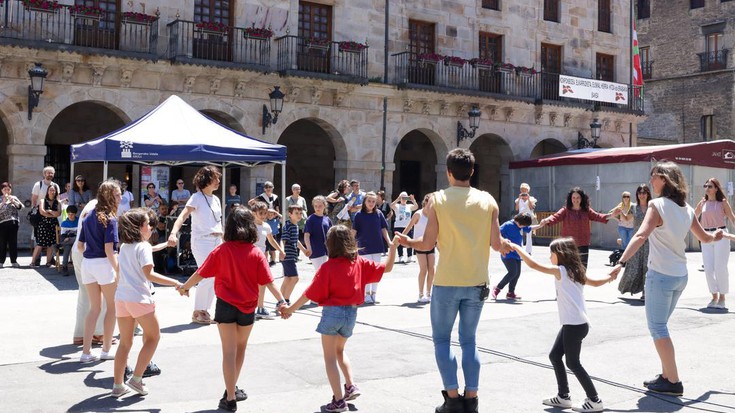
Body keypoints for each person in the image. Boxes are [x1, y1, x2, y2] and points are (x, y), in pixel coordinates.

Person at [394, 148, 511, 413]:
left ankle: (452, 399)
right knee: (469, 340)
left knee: (442, 340)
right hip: (478, 281)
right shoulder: (488, 201)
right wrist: (506, 246)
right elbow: (496, 244)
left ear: (448, 172)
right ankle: (472, 399)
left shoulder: (437, 200)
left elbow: (427, 242)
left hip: (447, 281)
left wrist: (405, 240)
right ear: (472, 171)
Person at [609, 162, 723, 396]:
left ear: (666, 180)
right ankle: (665, 376)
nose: (651, 182)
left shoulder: (656, 205)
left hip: (660, 277)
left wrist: (621, 263)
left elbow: (641, 234)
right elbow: (704, 237)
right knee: (661, 326)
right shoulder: (687, 209)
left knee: (658, 327)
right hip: (680, 276)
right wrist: (716, 236)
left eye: (655, 177)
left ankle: (673, 381)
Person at [178, 206, 288, 412]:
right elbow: (270, 282)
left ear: (228, 227)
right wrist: (282, 302)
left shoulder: (221, 250)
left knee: (228, 352)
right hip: (247, 306)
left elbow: (201, 273)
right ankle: (232, 387)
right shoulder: (256, 253)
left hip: (225, 305)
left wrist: (184, 287)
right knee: (241, 348)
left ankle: (230, 397)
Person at [280, 225, 399, 412]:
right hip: (351, 314)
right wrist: (393, 247)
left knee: (329, 358)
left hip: (332, 313)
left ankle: (338, 401)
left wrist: (289, 309)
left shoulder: (327, 267)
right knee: (340, 351)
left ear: (330, 245)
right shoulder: (359, 263)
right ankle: (350, 385)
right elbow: (388, 268)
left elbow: (308, 294)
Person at [511, 238, 615, 413]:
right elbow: (596, 283)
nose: (549, 257)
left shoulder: (561, 271)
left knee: (573, 363)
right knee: (555, 356)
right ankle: (563, 396)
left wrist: (516, 247)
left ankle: (594, 400)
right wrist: (610, 276)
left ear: (560, 255)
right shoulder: (576, 271)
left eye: (551, 253)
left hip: (574, 325)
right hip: (575, 324)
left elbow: (533, 265)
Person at [112, 208, 183, 397]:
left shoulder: (125, 247)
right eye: (147, 223)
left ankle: (118, 385)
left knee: (125, 343)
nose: (150, 226)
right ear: (139, 228)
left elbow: (146, 251)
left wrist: (164, 245)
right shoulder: (142, 246)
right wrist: (176, 282)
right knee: (153, 337)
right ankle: (136, 379)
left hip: (122, 298)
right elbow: (149, 274)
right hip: (139, 299)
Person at [168, 166, 223, 325]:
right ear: (206, 180)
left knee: (216, 277)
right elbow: (183, 216)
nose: (218, 181)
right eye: (215, 178)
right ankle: (198, 311)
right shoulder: (196, 198)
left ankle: (204, 310)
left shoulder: (217, 199)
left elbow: (218, 223)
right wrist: (173, 233)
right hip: (202, 241)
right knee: (206, 274)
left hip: (217, 240)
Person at [78, 180, 122, 363]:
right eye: (118, 194)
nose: (120, 198)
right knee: (112, 308)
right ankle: (105, 350)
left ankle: (86, 352)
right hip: (104, 264)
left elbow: (80, 246)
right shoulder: (110, 219)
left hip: (88, 264)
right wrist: (119, 271)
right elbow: (109, 250)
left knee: (94, 308)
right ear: (110, 196)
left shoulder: (88, 216)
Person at [536, 187, 616, 268]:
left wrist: (611, 216)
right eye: (573, 197)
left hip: (583, 244)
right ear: (570, 199)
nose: (575, 200)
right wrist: (546, 220)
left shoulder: (586, 210)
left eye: (578, 197)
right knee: (567, 269)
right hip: (568, 244)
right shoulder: (565, 210)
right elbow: (556, 216)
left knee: (582, 269)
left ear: (582, 199)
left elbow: (598, 216)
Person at [694, 178, 734, 309]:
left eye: (710, 186)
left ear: (716, 188)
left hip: (721, 235)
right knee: (709, 269)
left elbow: (732, 218)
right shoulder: (703, 203)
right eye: (705, 185)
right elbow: (692, 216)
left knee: (720, 267)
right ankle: (714, 296)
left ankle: (722, 298)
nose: (707, 188)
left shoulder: (723, 202)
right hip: (706, 236)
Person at [352, 192, 392, 304]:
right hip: (364, 247)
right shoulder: (359, 215)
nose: (371, 203)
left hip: (377, 245)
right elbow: (354, 231)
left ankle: (374, 293)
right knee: (366, 272)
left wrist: (389, 241)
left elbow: (384, 229)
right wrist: (349, 244)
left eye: (373, 201)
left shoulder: (379, 214)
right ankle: (366, 294)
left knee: (376, 271)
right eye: (369, 201)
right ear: (364, 201)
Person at [250, 201, 285, 320]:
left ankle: (260, 308)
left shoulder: (266, 226)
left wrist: (280, 250)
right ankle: (280, 302)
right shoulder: (249, 225)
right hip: (250, 258)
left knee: (263, 283)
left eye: (265, 213)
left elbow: (271, 241)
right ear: (254, 213)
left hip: (262, 258)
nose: (264, 215)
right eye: (261, 213)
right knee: (258, 283)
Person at [617, 184, 652, 300]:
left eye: (644, 192)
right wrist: (620, 212)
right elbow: (627, 219)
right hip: (637, 240)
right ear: (637, 195)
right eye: (640, 193)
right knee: (634, 266)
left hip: (649, 241)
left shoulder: (652, 207)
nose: (642, 195)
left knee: (647, 266)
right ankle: (628, 287)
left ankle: (646, 293)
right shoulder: (634, 207)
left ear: (648, 194)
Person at [492, 213, 534, 301]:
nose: (523, 227)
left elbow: (530, 228)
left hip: (517, 254)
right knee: (512, 272)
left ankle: (511, 293)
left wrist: (541, 225)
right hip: (508, 253)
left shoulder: (520, 225)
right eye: (522, 225)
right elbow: (497, 233)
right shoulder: (507, 225)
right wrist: (502, 243)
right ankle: (498, 288)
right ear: (518, 221)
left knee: (517, 274)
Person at [402, 194, 435, 303]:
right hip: (419, 244)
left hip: (430, 244)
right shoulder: (418, 214)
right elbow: (409, 227)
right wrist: (402, 238)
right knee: (423, 269)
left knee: (432, 269)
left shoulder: (433, 215)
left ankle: (428, 293)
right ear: (425, 203)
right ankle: (420, 294)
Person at [278, 205, 310, 308]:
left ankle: (280, 301)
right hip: (288, 256)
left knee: (288, 278)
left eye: (300, 213)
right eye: (296, 213)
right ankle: (285, 300)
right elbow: (283, 240)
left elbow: (296, 240)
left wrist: (304, 250)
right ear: (290, 214)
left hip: (291, 256)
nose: (299, 215)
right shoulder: (288, 226)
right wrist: (282, 251)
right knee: (295, 278)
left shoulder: (295, 226)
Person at [31, 184, 61, 267]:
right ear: (47, 191)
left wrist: (50, 211)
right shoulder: (42, 201)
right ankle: (33, 262)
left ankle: (48, 262)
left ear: (56, 192)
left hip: (53, 225)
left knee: (51, 244)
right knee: (40, 244)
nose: (52, 192)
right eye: (50, 190)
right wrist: (53, 214)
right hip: (43, 224)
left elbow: (58, 213)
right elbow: (42, 212)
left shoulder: (58, 202)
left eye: (53, 190)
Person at [304, 196, 333, 272]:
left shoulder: (327, 219)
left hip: (327, 251)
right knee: (321, 273)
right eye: (315, 206)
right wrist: (309, 248)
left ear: (324, 206)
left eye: (320, 206)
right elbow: (306, 235)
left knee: (327, 273)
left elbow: (332, 235)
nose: (318, 208)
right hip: (316, 251)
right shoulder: (310, 219)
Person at [0, 182, 23, 268]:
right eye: (5, 189)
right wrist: (3, 202)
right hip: (2, 223)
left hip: (13, 222)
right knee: (2, 243)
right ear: (2, 190)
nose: (7, 191)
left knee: (13, 242)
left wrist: (13, 201)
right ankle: (1, 262)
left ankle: (14, 261)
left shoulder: (14, 197)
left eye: (8, 189)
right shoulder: (0, 199)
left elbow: (21, 207)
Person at [391, 192, 417, 263]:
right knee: (399, 241)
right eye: (402, 197)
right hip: (398, 226)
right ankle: (400, 256)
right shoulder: (397, 206)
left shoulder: (409, 206)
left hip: (407, 226)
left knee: (410, 241)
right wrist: (397, 199)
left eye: (405, 197)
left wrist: (413, 200)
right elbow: (391, 206)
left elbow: (416, 207)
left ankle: (409, 256)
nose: (404, 199)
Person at [286, 183, 308, 258]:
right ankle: (291, 253)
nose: (297, 190)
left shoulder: (302, 199)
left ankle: (297, 254)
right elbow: (286, 210)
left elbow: (305, 209)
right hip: (291, 221)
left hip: (300, 221)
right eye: (295, 189)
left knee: (298, 237)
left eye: (299, 189)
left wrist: (303, 216)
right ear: (292, 190)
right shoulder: (288, 199)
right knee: (291, 237)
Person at [515, 183, 537, 254]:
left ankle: (528, 251)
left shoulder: (531, 199)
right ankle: (520, 249)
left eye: (525, 190)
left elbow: (532, 207)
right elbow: (516, 208)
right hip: (520, 217)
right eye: (522, 190)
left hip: (528, 217)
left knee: (529, 234)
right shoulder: (518, 199)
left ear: (528, 191)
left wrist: (528, 199)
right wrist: (519, 199)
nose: (523, 192)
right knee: (520, 233)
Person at [57, 205, 79, 275]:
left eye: (72, 214)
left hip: (78, 241)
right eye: (69, 214)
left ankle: (59, 245)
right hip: (68, 241)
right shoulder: (64, 223)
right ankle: (64, 267)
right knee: (66, 250)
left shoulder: (79, 221)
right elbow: (63, 235)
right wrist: (65, 238)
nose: (70, 216)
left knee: (76, 239)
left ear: (75, 214)